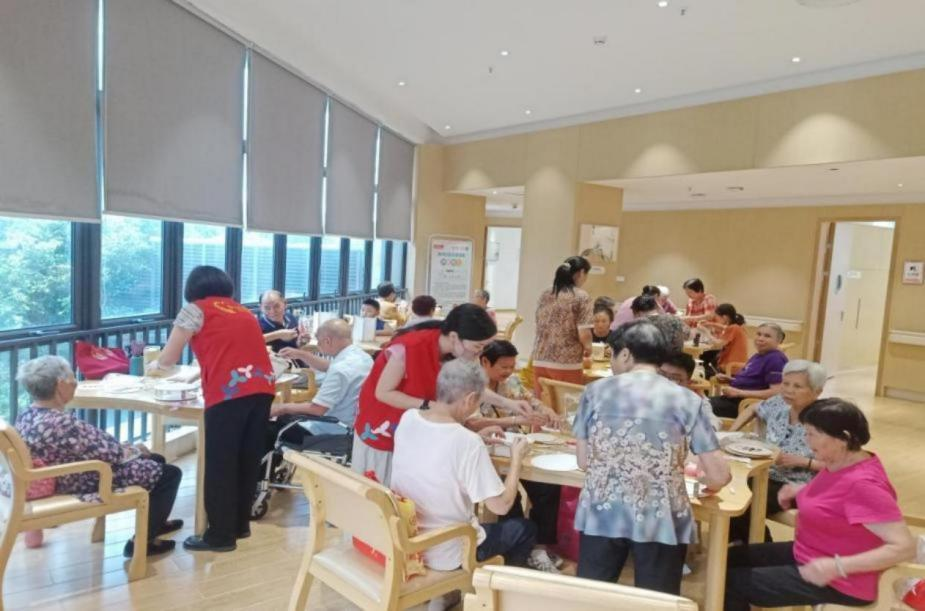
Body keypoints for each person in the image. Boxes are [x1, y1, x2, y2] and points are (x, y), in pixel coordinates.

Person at [574, 320, 731, 594]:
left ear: (625, 354)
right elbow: (719, 475)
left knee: (592, 597)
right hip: (662, 516)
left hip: (603, 510)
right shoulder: (687, 399)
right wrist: (707, 481)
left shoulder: (594, 392)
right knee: (658, 600)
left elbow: (584, 461)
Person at [724, 398, 915, 611]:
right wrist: (801, 491)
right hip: (809, 552)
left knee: (730, 584)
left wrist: (837, 566)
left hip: (841, 581)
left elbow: (904, 548)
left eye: (812, 434)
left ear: (843, 438)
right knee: (726, 560)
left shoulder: (864, 485)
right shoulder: (841, 461)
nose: (806, 441)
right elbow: (837, 494)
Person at [150, 265, 275, 552]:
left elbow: (168, 358)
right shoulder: (242, 311)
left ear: (192, 289)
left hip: (229, 393)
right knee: (246, 460)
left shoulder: (194, 310)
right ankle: (239, 526)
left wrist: (155, 365)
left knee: (221, 463)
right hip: (262, 388)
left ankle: (219, 536)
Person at [15, 356, 182, 557]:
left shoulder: (26, 415)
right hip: (80, 478)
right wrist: (136, 450)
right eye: (72, 379)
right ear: (60, 385)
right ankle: (142, 542)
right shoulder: (62, 423)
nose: (75, 383)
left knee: (156, 460)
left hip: (58, 474)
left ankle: (155, 523)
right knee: (170, 474)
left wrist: (131, 450)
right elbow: (113, 454)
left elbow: (97, 448)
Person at [352, 304, 531, 485]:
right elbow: (383, 393)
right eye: (478, 345)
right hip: (382, 422)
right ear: (454, 337)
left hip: (413, 424)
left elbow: (470, 387)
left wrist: (509, 403)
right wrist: (428, 405)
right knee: (381, 488)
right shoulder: (409, 348)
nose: (479, 352)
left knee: (407, 487)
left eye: (484, 346)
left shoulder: (457, 351)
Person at [391, 359, 537, 571]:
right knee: (526, 528)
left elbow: (437, 449)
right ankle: (493, 587)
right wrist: (516, 459)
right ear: (470, 399)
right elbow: (501, 506)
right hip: (449, 552)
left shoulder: (409, 418)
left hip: (408, 537)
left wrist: (474, 438)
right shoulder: (467, 442)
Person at [466, 340, 564, 572]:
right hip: (489, 453)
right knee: (507, 496)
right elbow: (472, 422)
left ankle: (538, 547)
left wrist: (547, 411)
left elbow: (531, 401)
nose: (509, 372)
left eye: (512, 366)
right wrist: (515, 419)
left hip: (516, 448)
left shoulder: (511, 383)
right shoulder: (470, 386)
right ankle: (518, 545)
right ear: (485, 362)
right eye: (504, 367)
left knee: (547, 486)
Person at [726, 360, 828, 542]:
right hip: (765, 473)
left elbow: (842, 467)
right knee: (730, 486)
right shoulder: (779, 404)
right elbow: (753, 408)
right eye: (785, 383)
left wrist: (803, 461)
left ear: (817, 391)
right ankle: (743, 543)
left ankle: (757, 545)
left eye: (797, 386)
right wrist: (731, 432)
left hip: (799, 485)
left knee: (745, 499)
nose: (788, 390)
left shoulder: (827, 420)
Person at [271, 319, 373, 444]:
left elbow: (317, 409)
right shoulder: (363, 357)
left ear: (327, 341)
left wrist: (281, 407)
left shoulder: (339, 369)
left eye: (319, 342)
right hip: (357, 424)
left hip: (334, 429)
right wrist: (301, 354)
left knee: (274, 426)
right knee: (284, 417)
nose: (318, 346)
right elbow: (330, 366)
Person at [531, 256, 593, 395]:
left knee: (544, 404)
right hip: (567, 362)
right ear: (581, 273)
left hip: (540, 358)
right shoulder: (582, 296)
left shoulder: (545, 294)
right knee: (567, 405)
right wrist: (589, 348)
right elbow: (584, 333)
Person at [710, 322, 788, 418]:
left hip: (744, 406)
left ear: (778, 341)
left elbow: (776, 393)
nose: (760, 338)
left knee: (698, 407)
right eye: (759, 334)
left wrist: (739, 392)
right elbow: (756, 382)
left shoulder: (775, 359)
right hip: (731, 400)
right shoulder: (758, 356)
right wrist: (730, 380)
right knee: (697, 402)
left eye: (767, 336)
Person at [698, 303, 748, 377]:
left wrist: (706, 331)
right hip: (739, 366)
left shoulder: (733, 328)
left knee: (703, 364)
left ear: (724, 317)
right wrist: (710, 324)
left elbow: (718, 344)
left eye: (717, 317)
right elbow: (724, 327)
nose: (716, 320)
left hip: (730, 368)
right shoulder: (738, 327)